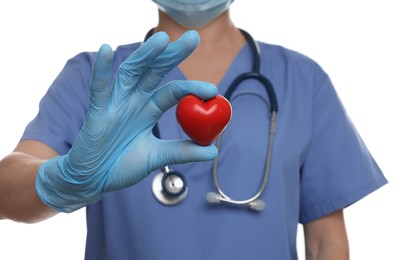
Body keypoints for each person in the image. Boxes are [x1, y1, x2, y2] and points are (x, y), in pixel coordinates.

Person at [0, 0, 387, 259]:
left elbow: (325, 240)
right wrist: (61, 183)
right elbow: (6, 189)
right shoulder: (95, 78)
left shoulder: (303, 80)